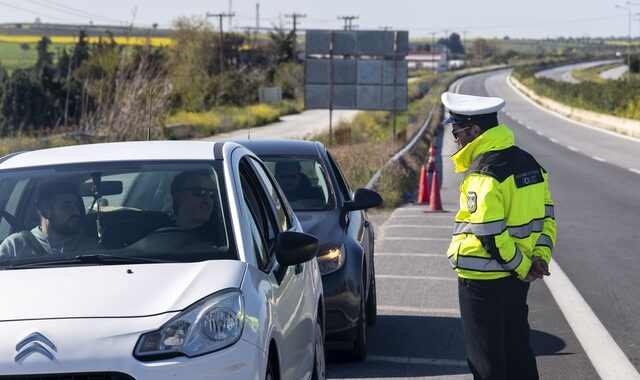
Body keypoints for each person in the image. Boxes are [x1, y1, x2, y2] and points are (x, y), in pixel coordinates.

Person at [442, 91, 556, 380]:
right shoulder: (531, 164)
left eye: (457, 131)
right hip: (517, 280)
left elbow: (489, 234)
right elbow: (547, 218)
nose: (456, 139)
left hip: (482, 282)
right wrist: (537, 259)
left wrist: (522, 266)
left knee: (487, 364)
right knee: (518, 355)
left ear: (475, 130)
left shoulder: (483, 174)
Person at [0, 182, 97, 258]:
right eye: (66, 207)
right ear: (44, 212)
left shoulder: (92, 249)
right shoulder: (14, 246)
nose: (76, 212)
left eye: (76, 206)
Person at [170, 169, 217, 241]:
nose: (207, 200)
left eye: (211, 193)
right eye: (200, 192)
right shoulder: (159, 234)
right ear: (179, 197)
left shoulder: (227, 237)